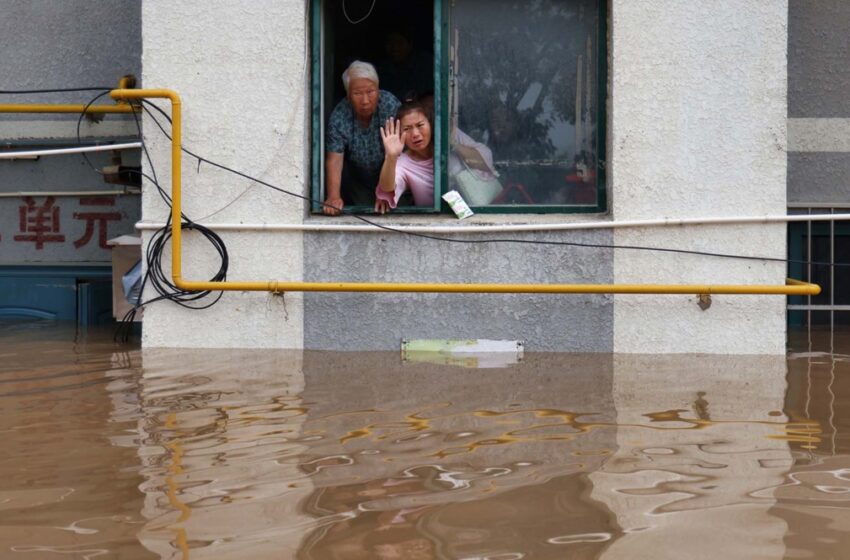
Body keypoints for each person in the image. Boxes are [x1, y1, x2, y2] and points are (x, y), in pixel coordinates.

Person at [324, 61, 401, 215]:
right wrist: (333, 197)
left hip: (394, 176)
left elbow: (400, 152)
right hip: (359, 180)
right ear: (348, 95)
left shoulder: (389, 105)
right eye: (357, 93)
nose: (365, 101)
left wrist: (384, 191)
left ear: (378, 90)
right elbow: (335, 158)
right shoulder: (340, 115)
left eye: (370, 92)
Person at [373, 98, 434, 214]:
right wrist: (391, 156)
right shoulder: (403, 163)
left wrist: (454, 147)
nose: (415, 134)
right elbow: (387, 189)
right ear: (400, 133)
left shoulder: (451, 140)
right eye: (407, 129)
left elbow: (480, 157)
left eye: (420, 125)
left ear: (430, 124)